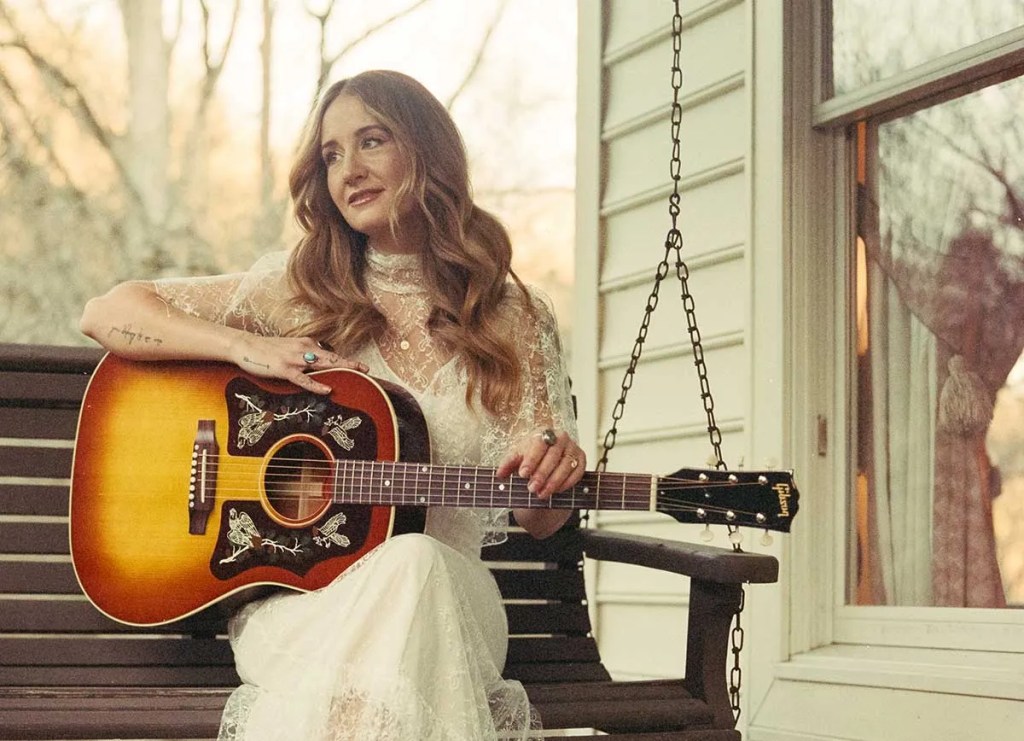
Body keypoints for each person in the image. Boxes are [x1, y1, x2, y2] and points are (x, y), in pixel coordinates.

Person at [79, 69, 584, 741]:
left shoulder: (514, 317)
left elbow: (541, 519)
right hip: (302, 604)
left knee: (415, 563)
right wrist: (241, 347)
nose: (348, 169)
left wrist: (552, 470)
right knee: (400, 593)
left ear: (428, 152)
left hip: (453, 602)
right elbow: (107, 312)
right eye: (332, 154)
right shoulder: (298, 291)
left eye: (371, 141)